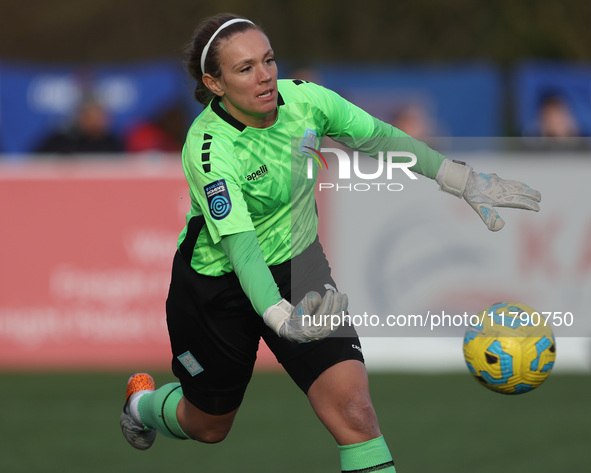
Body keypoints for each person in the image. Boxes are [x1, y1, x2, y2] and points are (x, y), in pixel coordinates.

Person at [119, 14, 541, 472]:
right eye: (244, 69)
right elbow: (242, 250)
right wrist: (280, 316)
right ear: (213, 83)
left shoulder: (306, 101)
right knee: (208, 426)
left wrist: (462, 179)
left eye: (268, 60)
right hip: (217, 289)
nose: (264, 76)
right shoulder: (208, 146)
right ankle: (141, 405)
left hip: (300, 268)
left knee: (355, 413)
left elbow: (379, 138)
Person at [36, 97, 123, 155]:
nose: (94, 121)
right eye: (89, 116)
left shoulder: (111, 143)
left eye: (98, 116)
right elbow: (35, 164)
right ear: (80, 116)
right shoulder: (62, 141)